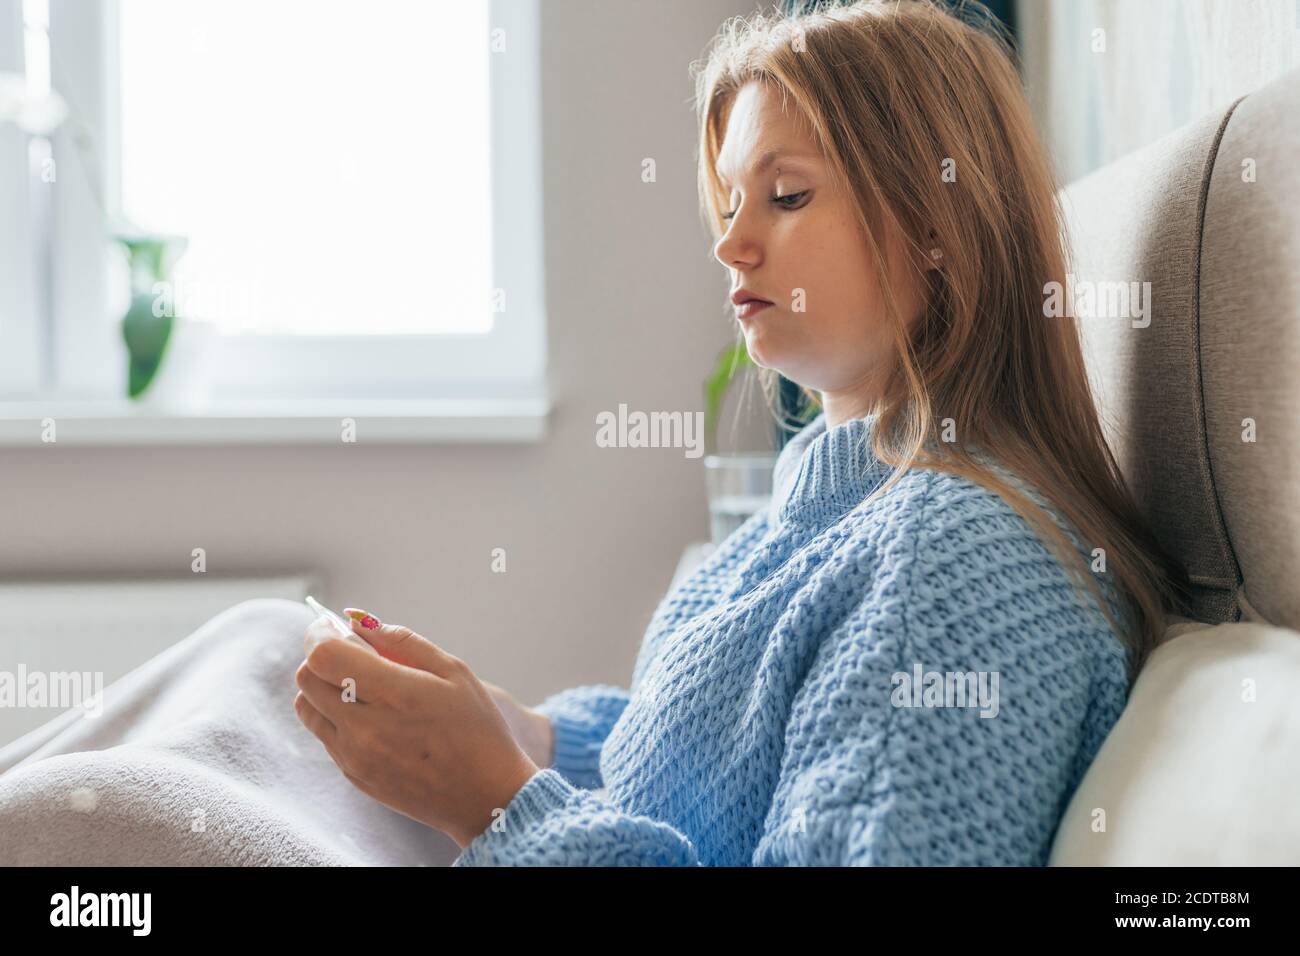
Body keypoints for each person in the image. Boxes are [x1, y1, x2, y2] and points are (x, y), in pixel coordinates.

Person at [294, 0, 1188, 866]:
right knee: (254, 660)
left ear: (935, 226)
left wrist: (491, 798)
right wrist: (535, 738)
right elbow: (714, 758)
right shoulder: (820, 502)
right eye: (729, 202)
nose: (731, 244)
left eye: (787, 194)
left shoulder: (955, 563)